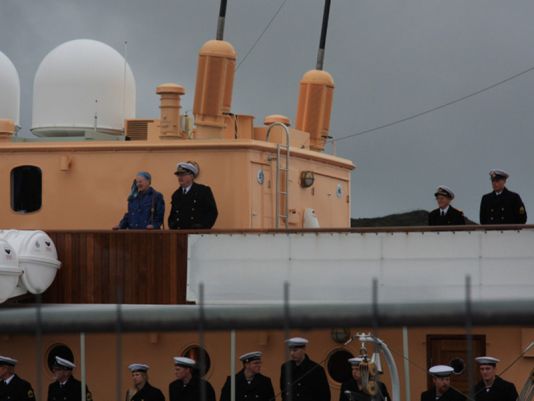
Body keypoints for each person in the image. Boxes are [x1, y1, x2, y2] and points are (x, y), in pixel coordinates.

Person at [168, 161, 218, 229]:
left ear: (191, 176)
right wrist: (172, 225)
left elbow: (212, 212)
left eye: (183, 174)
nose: (180, 177)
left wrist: (203, 227)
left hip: (197, 234)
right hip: (179, 234)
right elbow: (172, 216)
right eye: (178, 175)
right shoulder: (176, 195)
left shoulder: (203, 191)